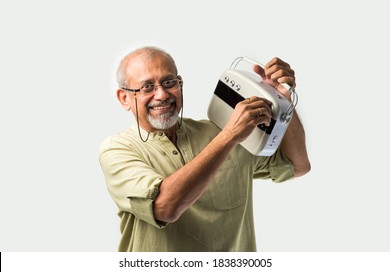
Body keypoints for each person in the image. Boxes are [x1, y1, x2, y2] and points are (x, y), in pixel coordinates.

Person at [99, 46, 311, 252]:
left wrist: (281, 100)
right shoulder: (118, 149)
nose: (162, 94)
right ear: (124, 98)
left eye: (169, 82)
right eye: (147, 87)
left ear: (180, 85)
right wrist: (229, 136)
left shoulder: (220, 129)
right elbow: (164, 208)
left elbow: (297, 165)